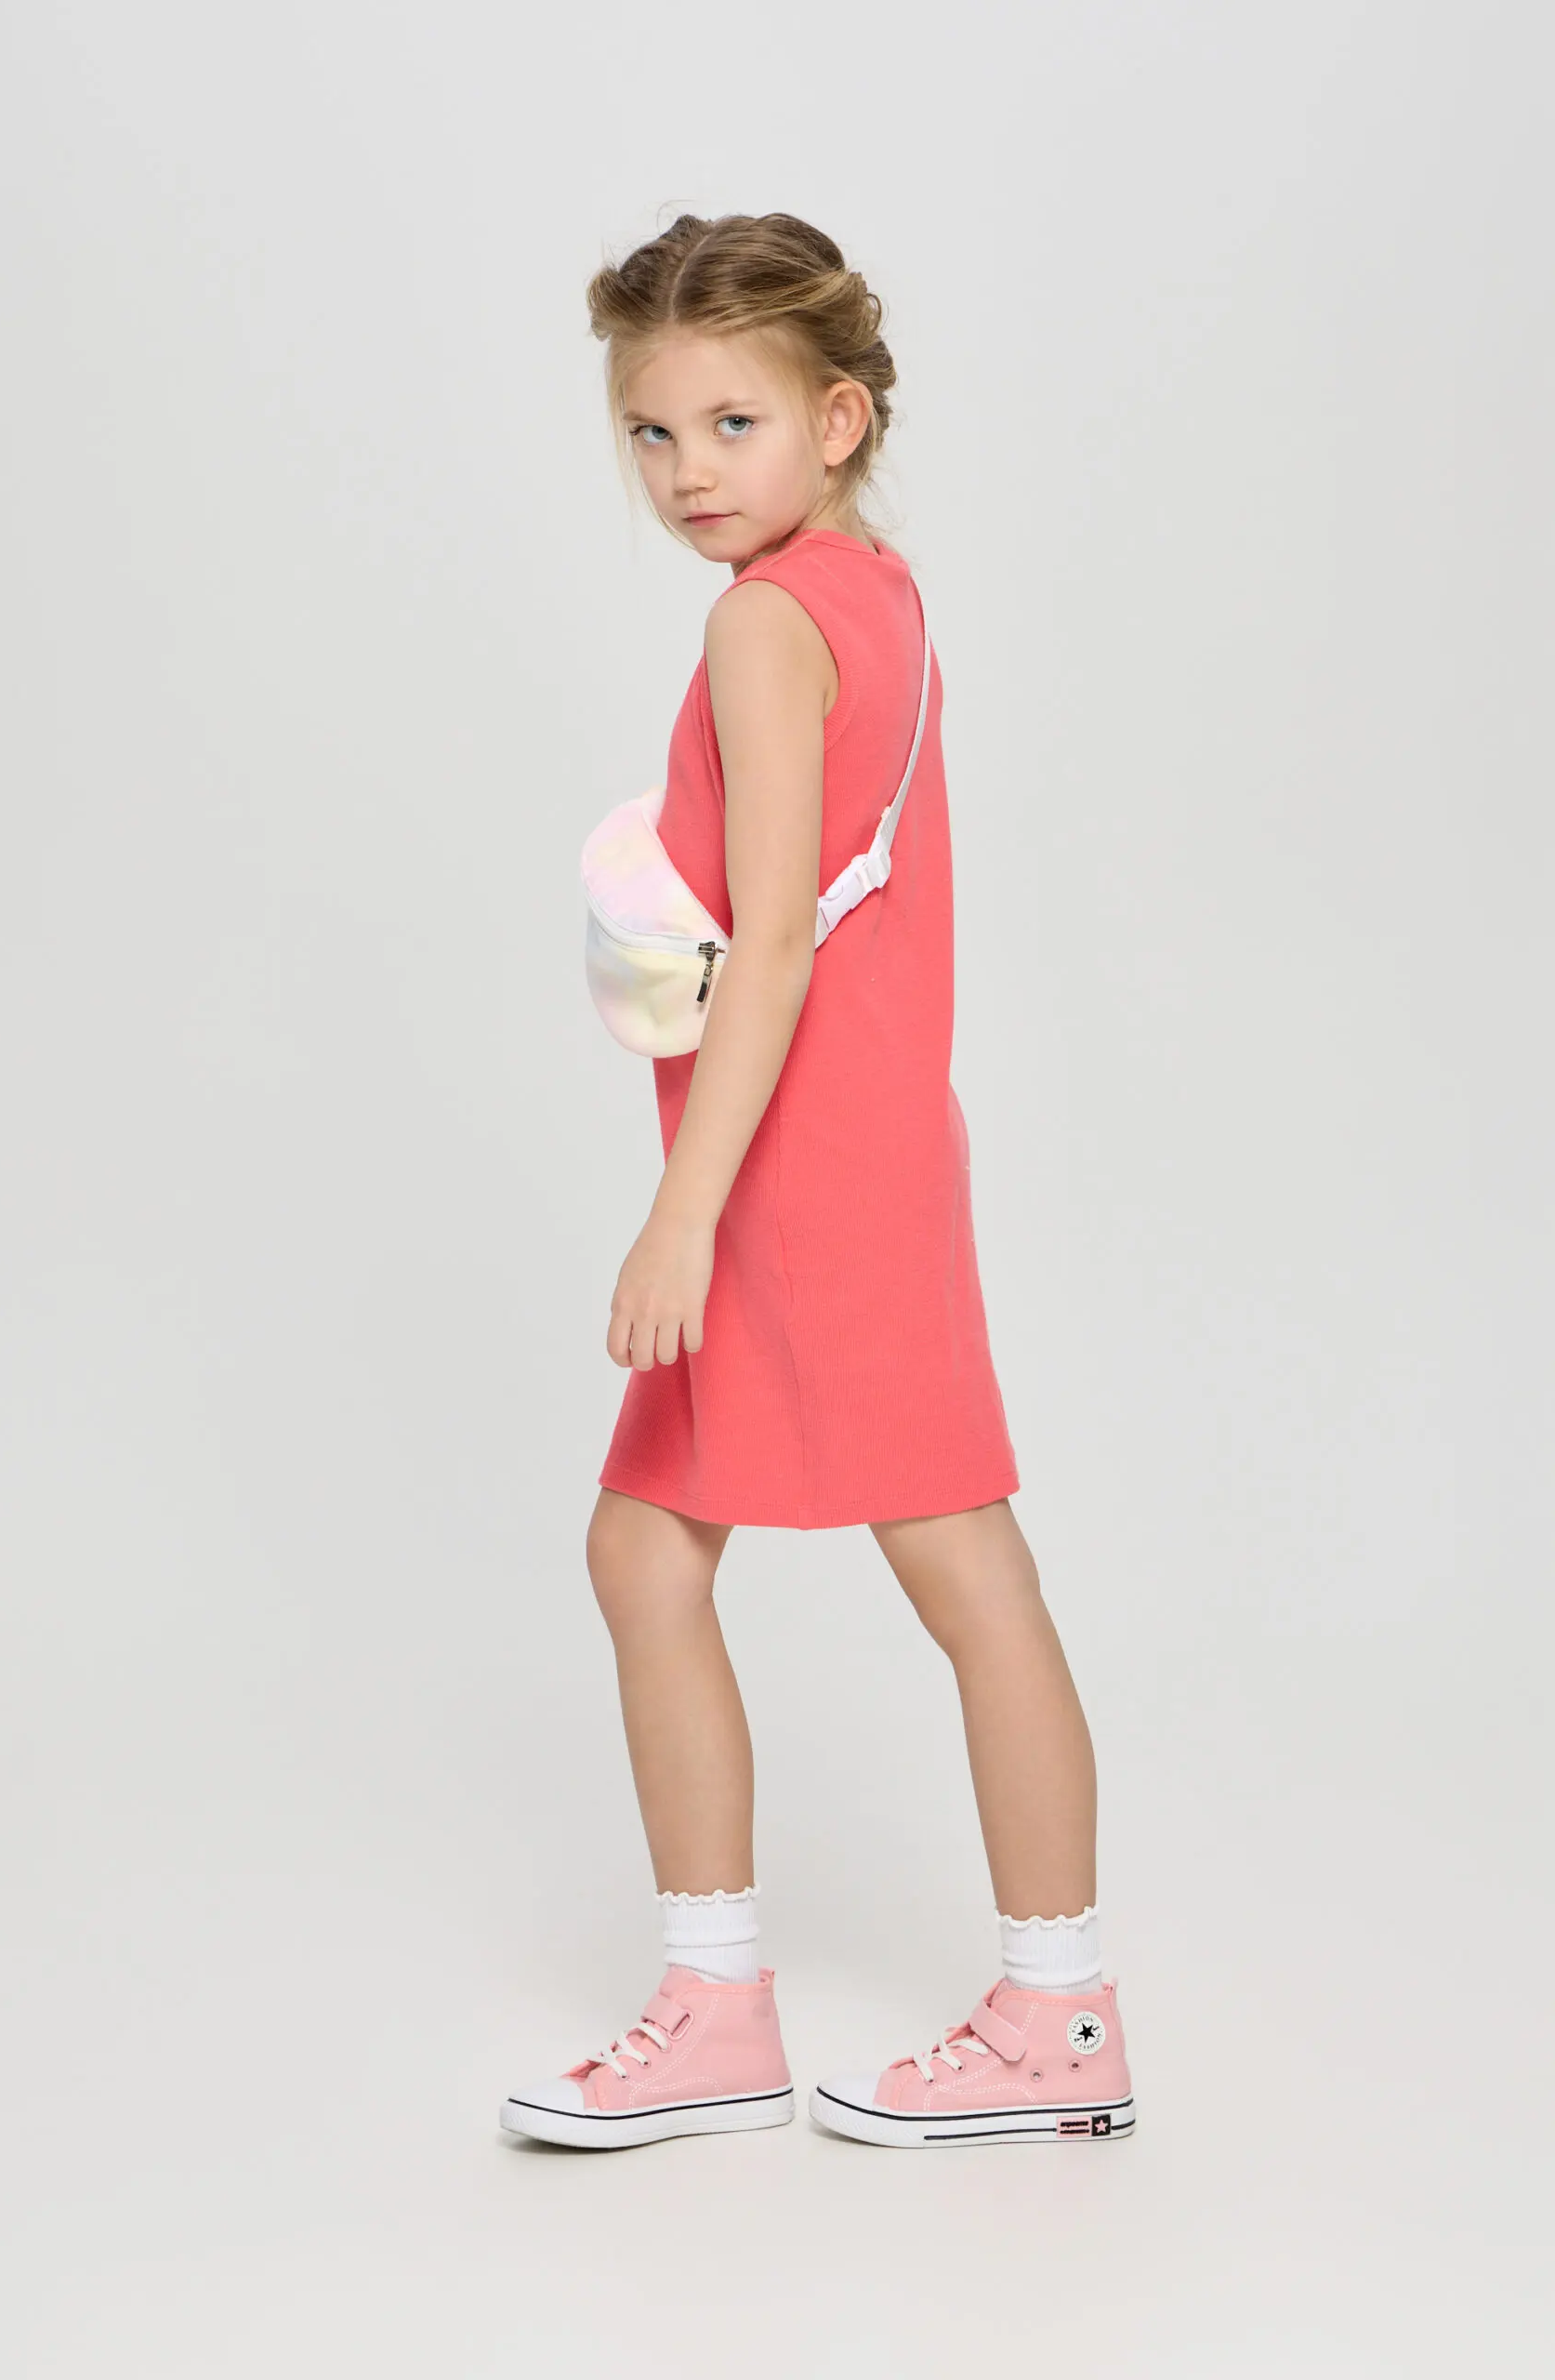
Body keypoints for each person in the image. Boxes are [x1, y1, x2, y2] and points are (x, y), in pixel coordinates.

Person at [500, 212, 1135, 2151]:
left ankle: (1053, 2011)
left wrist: (682, 1212)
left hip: (794, 1169)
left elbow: (770, 942)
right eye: (649, 431)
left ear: (837, 417)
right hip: (860, 1142)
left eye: (733, 423)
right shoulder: (876, 593)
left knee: (961, 1562)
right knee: (652, 1548)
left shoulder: (762, 624)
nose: (687, 472)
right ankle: (729, 2004)